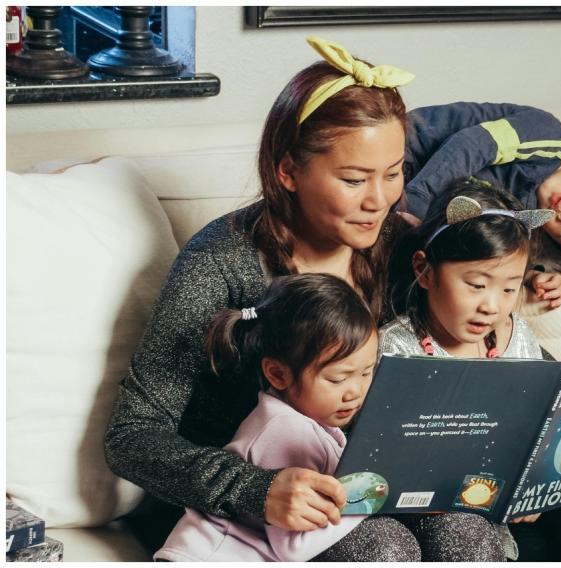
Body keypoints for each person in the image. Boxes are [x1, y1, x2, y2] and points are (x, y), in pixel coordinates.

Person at [104, 35, 419, 555]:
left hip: (363, 488)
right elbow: (132, 436)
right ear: (288, 170)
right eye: (354, 179)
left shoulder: (400, 246)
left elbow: (485, 332)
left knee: (472, 530)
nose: (380, 199)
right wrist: (257, 490)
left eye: (393, 173)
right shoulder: (221, 262)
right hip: (232, 521)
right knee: (384, 546)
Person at [382, 178, 561, 561]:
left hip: (534, 509)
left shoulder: (516, 336)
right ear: (425, 272)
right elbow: (385, 467)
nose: (492, 306)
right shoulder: (395, 350)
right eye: (476, 285)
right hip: (464, 520)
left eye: (509, 289)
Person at [155, 274, 420, 561]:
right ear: (278, 374)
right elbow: (293, 547)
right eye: (337, 378)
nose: (354, 392)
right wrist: (369, 496)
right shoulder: (283, 431)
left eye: (367, 373)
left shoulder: (310, 419)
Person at [402, 102, 561, 308]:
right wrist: (416, 204)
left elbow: (493, 252)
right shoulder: (547, 135)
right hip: (407, 149)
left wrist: (534, 276)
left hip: (400, 197)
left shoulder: (526, 219)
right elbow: (473, 145)